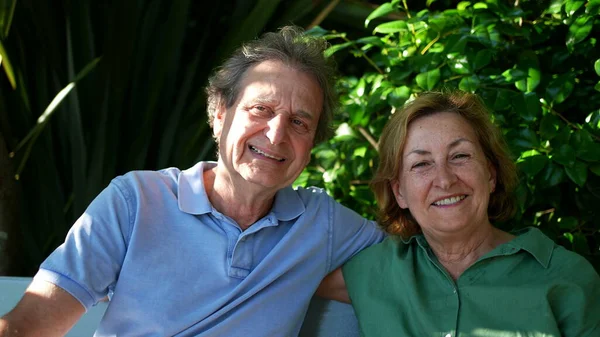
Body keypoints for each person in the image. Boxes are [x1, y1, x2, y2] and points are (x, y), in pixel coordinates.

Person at [0, 26, 384, 337]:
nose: (276, 134)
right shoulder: (135, 202)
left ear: (312, 143)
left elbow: (425, 263)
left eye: (299, 122)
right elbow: (30, 324)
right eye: (260, 109)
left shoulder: (321, 224)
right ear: (219, 113)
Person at [320, 91, 600, 336]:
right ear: (399, 192)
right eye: (421, 164)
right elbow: (281, 276)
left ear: (490, 174)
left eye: (460, 156)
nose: (444, 180)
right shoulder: (374, 270)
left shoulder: (566, 277)